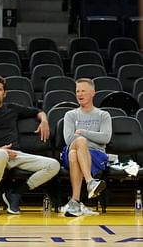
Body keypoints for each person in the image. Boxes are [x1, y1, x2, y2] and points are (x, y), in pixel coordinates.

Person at [0, 75, 60, 215]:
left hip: (15, 155)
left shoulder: (12, 108)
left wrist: (44, 121)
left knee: (53, 165)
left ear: (4, 93)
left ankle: (16, 194)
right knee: (1, 154)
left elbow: (38, 112)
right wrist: (0, 150)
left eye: (0, 89)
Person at [61, 78, 111, 217]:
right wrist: (84, 139)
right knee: (79, 143)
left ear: (92, 93)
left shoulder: (103, 115)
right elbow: (68, 139)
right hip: (73, 148)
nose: (79, 94)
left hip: (96, 155)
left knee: (74, 154)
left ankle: (75, 201)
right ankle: (90, 182)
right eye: (77, 91)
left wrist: (83, 132)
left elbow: (105, 138)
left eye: (83, 91)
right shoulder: (70, 115)